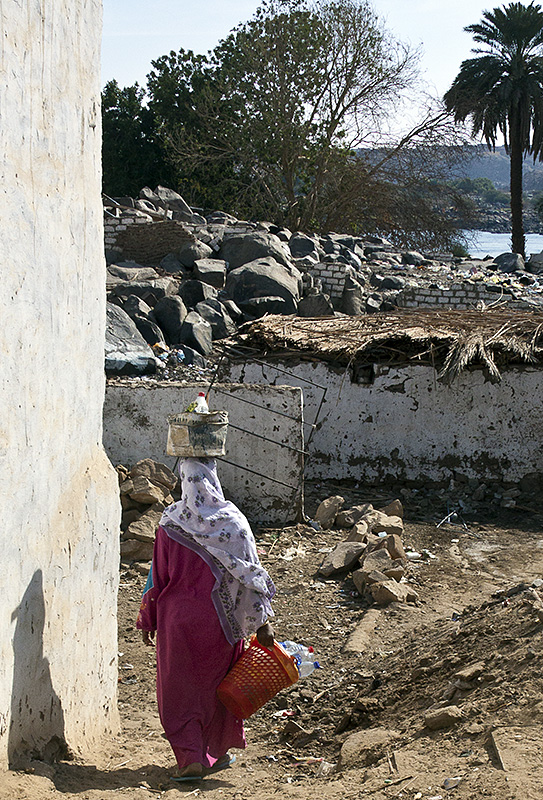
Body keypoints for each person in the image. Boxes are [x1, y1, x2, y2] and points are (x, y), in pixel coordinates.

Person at [137, 457, 275, 780]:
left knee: (180, 692)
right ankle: (214, 752)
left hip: (177, 626)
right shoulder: (234, 523)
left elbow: (157, 577)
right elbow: (251, 577)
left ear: (184, 481)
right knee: (217, 688)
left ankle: (191, 759)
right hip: (220, 627)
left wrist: (148, 618)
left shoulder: (170, 522)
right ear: (213, 477)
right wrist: (262, 623)